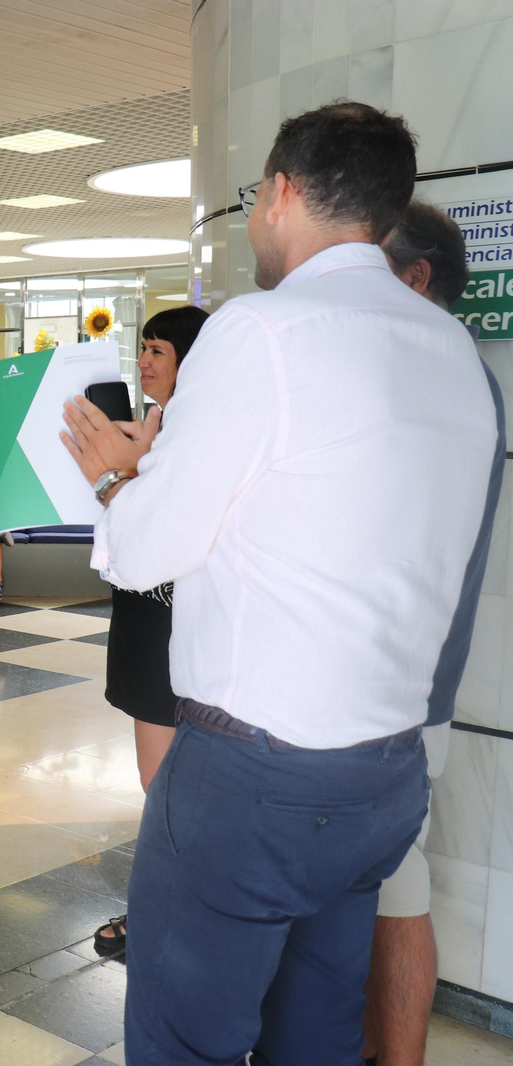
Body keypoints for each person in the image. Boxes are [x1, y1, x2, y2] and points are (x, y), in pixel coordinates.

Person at [59, 102, 501, 1064]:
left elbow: (146, 553)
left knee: (187, 1041)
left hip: (253, 783)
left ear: (282, 193)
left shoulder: (260, 331)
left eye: (259, 191)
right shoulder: (452, 355)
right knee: (316, 1039)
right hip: (383, 773)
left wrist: (115, 481)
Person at [362, 200, 502, 1066]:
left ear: (415, 279)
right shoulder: (453, 374)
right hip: (395, 689)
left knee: (395, 888)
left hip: (400, 696)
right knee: (383, 888)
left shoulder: (438, 377)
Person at [78, 304, 209, 957]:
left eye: (159, 350)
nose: (144, 361)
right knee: (161, 784)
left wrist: (117, 477)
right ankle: (172, 911)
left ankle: (162, 915)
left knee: (164, 787)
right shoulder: (157, 425)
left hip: (169, 625)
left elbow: (162, 532)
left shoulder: (192, 434)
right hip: (142, 616)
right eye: (144, 348)